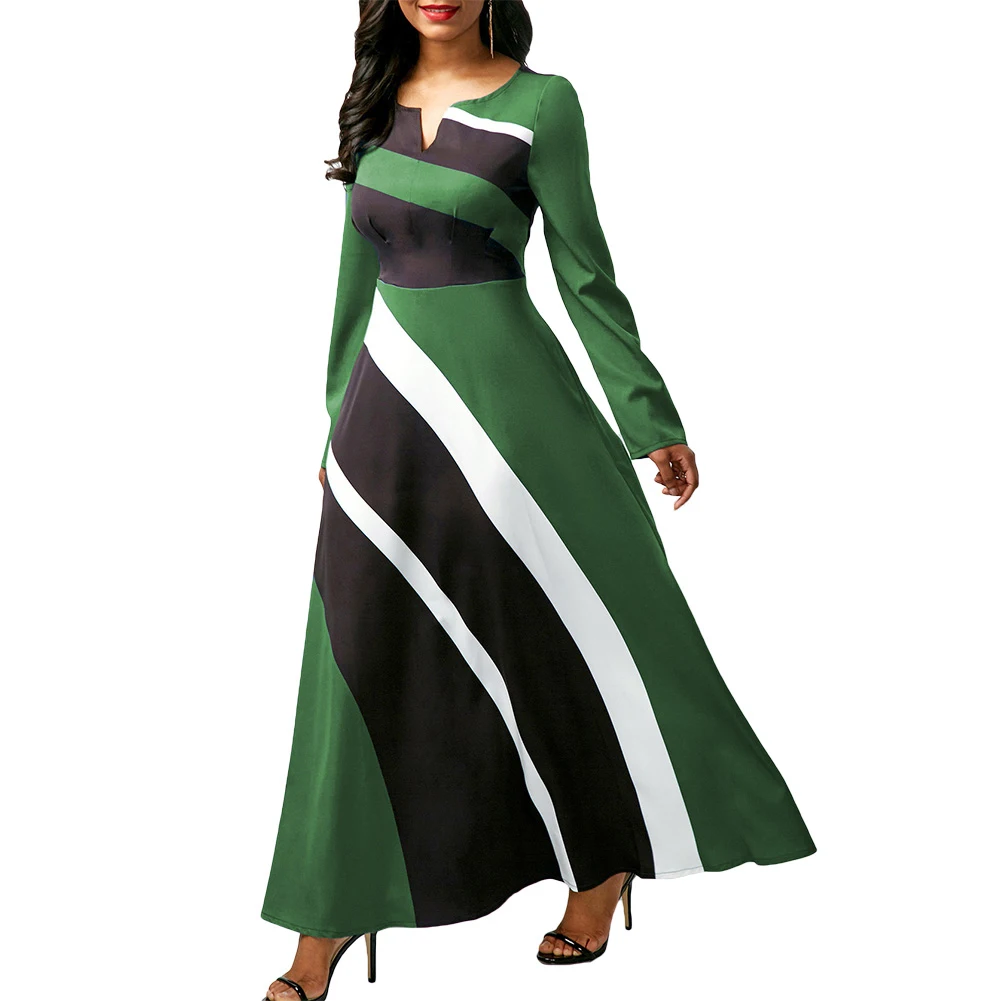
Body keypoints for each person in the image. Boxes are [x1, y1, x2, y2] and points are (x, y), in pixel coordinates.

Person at [261, 2, 816, 998]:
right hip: (388, 424)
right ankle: (328, 910)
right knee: (356, 659)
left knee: (562, 639)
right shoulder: (371, 102)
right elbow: (354, 277)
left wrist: (647, 417)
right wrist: (336, 420)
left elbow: (583, 272)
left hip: (517, 422)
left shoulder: (543, 104)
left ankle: (602, 865)